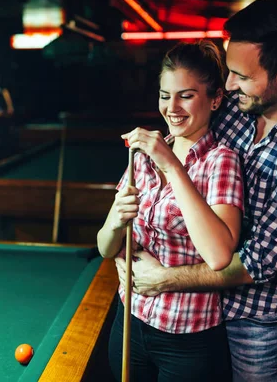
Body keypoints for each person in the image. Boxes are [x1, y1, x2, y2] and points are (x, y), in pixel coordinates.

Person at [114, 0, 277, 381]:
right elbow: (185, 146)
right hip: (189, 309)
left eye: (240, 74)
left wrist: (163, 278)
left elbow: (258, 262)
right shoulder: (236, 108)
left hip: (253, 316)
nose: (228, 84)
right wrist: (128, 249)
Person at [97, 40, 245, 381]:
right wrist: (116, 221)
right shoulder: (141, 158)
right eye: (165, 95)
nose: (172, 107)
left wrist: (172, 165)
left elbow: (220, 254)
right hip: (130, 319)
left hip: (188, 338)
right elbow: (106, 247)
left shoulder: (220, 161)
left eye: (186, 95)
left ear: (216, 98)